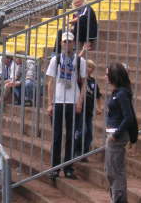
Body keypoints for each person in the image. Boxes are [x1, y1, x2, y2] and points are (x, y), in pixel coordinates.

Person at [46, 31, 87, 180]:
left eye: (70, 41)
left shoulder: (80, 61)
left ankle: (68, 167)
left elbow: (83, 83)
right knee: (56, 136)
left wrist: (80, 101)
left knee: (71, 136)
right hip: (58, 101)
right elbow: (50, 83)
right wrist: (49, 103)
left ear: (74, 43)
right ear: (61, 43)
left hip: (72, 100)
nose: (67, 44)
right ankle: (55, 167)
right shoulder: (55, 60)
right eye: (65, 42)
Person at [105, 62, 137, 203]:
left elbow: (129, 117)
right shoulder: (118, 92)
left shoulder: (122, 93)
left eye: (107, 74)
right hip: (113, 135)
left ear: (114, 76)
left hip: (117, 137)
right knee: (111, 171)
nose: (105, 76)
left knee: (116, 172)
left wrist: (115, 135)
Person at [74, 58, 103, 160]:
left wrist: (99, 107)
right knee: (82, 130)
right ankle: (76, 150)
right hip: (80, 108)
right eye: (87, 66)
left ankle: (84, 153)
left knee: (89, 132)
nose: (88, 69)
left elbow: (98, 95)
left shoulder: (93, 81)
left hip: (89, 110)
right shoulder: (79, 79)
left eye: (91, 67)